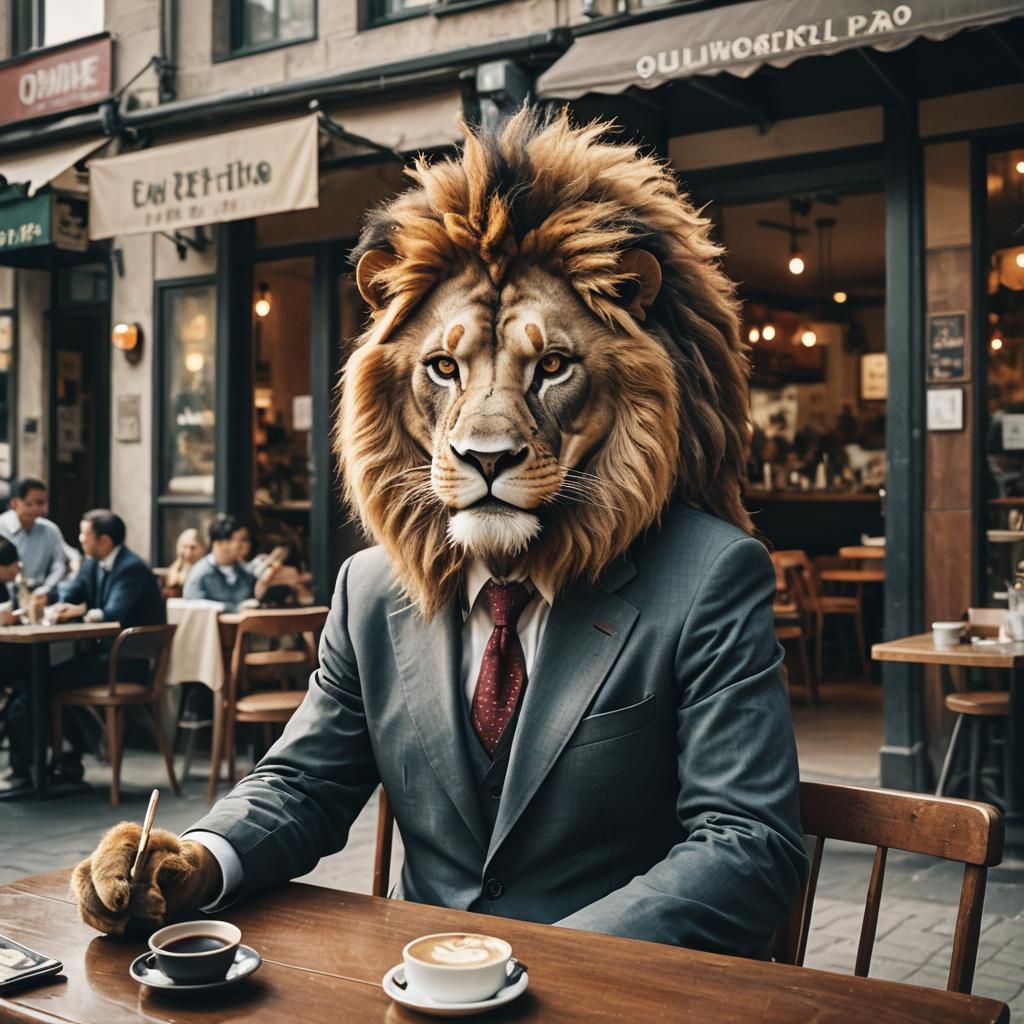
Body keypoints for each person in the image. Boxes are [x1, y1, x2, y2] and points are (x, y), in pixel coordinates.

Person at [72, 110, 806, 957]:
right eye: (446, 370)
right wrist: (197, 859)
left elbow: (749, 847)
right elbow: (304, 781)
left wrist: (538, 968)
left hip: (617, 1000)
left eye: (551, 366)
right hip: (420, 995)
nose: (487, 434)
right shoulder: (371, 588)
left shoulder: (710, 578)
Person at [47, 510, 166, 783]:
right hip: (104, 659)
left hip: (128, 665)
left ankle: (70, 755)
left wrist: (80, 610)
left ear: (104, 540)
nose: (80, 540)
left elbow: (115, 613)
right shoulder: (91, 564)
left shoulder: (131, 567)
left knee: (51, 679)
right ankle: (70, 755)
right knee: (46, 677)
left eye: (84, 534)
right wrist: (64, 603)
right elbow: (70, 591)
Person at [183, 514, 281, 610]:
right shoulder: (200, 573)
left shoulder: (246, 571)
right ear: (221, 543)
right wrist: (233, 609)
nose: (246, 545)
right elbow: (193, 608)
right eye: (241, 540)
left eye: (246, 540)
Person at [0, 478, 70, 600]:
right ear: (15, 503)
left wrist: (46, 588)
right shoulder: (1, 527)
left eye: (41, 503)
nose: (36, 509)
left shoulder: (50, 530)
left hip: (39, 594)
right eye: (29, 504)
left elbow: (59, 564)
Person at [0, 538, 32, 792]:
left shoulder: (4, 588)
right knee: (26, 693)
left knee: (28, 692)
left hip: (9, 666)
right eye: (9, 564)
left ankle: (24, 770)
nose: (15, 569)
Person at [162, 528, 207, 599]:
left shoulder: (207, 572)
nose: (188, 552)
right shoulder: (172, 572)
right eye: (184, 547)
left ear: (203, 548)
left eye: (193, 547)